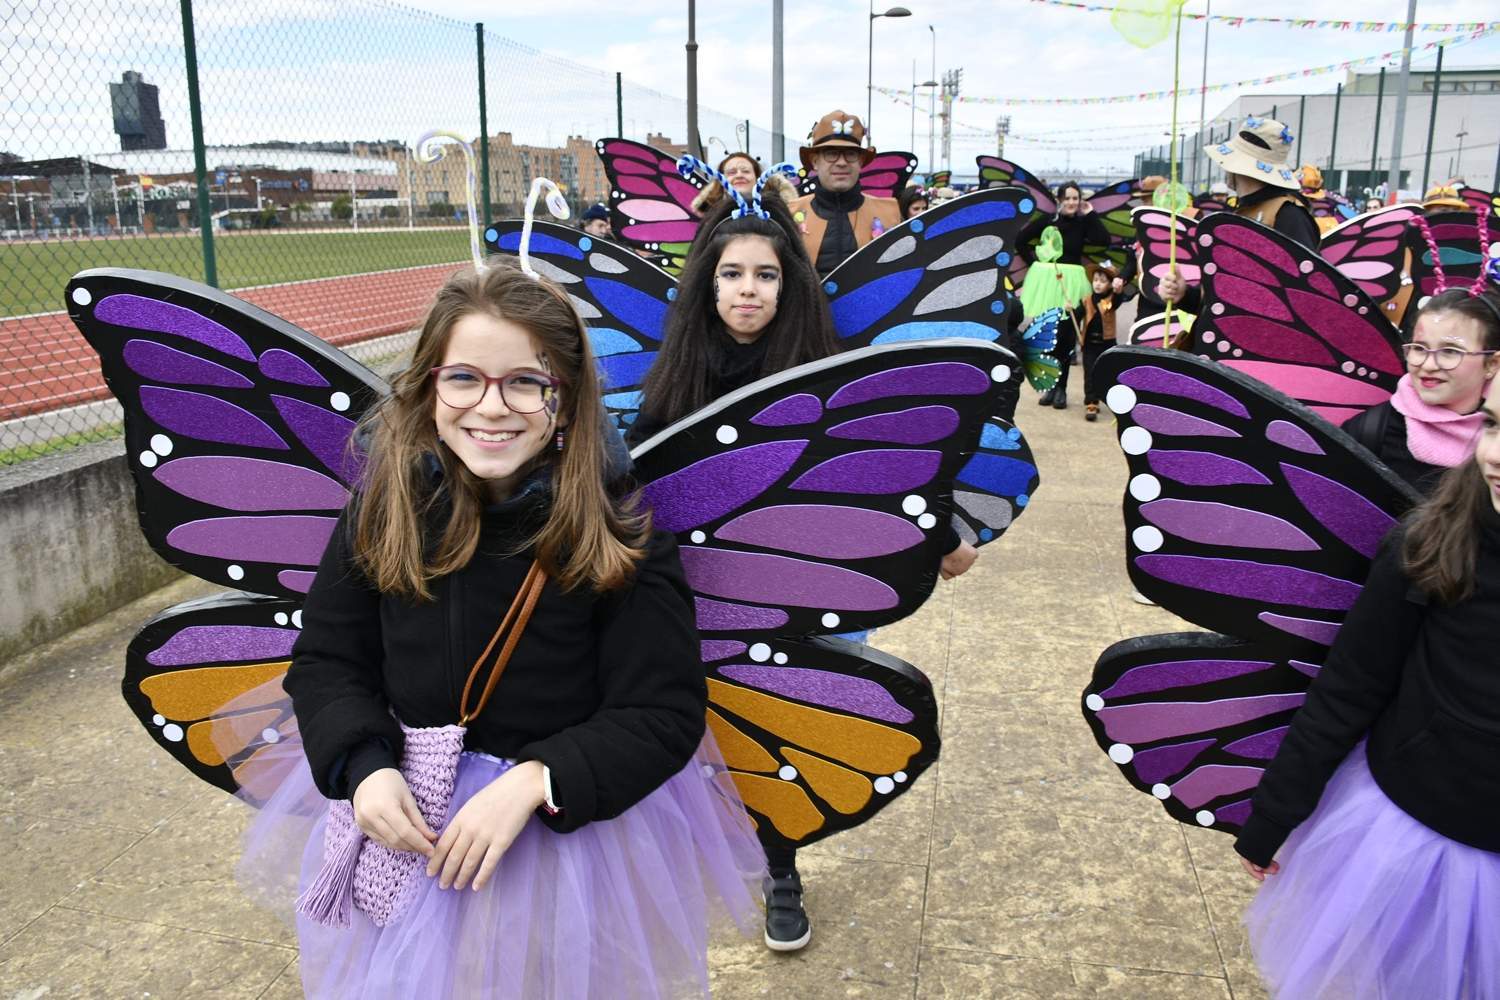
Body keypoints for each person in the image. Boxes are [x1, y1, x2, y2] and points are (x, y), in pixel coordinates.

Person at [249, 261, 763, 998]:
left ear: (566, 401)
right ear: (429, 387)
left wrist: (534, 781)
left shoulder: (620, 533)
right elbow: (329, 659)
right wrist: (362, 766)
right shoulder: (383, 510)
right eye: (464, 379)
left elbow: (662, 712)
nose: (491, 407)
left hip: (555, 842)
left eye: (525, 381)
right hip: (409, 819)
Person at [628, 186, 979, 953]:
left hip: (803, 591)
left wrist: (940, 534)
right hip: (701, 597)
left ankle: (780, 865)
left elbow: (875, 472)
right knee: (698, 723)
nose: (747, 289)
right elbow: (635, 480)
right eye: (730, 274)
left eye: (765, 275)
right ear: (706, 284)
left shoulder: (821, 372)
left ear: (788, 287)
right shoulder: (673, 378)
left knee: (784, 712)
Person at [1233, 351, 1500, 998]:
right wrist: (1274, 817)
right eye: (1493, 424)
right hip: (1418, 841)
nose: (1496, 454)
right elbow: (1350, 684)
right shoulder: (1431, 544)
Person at [1344, 290, 1499, 496]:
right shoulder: (1368, 432)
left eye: (1450, 351)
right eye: (1419, 348)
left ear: (1492, 364)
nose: (1428, 365)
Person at [1158, 117, 1318, 311]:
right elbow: (1221, 302)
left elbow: (1306, 300)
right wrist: (1184, 295)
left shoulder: (1288, 215)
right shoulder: (1243, 211)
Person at [1016, 181, 1107, 409]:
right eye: (1067, 198)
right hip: (1050, 283)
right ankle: (1050, 386)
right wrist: (1038, 266)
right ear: (1059, 200)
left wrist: (1091, 214)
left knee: (1066, 337)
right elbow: (1020, 241)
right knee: (1049, 337)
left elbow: (1103, 241)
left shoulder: (1083, 222)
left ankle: (1062, 389)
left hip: (1073, 286)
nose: (1071, 202)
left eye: (1075, 198)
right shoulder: (1048, 222)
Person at [786, 110, 901, 278]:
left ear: (861, 162)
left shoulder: (890, 213)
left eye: (850, 154)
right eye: (831, 153)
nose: (841, 162)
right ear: (815, 162)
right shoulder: (789, 214)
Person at [1080, 266, 1120, 422]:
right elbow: (1077, 314)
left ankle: (1112, 400)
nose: (1097, 284)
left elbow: (1117, 302)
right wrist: (1071, 309)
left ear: (1109, 284)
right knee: (1089, 373)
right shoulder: (1087, 299)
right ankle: (1091, 402)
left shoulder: (1111, 300)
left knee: (1108, 372)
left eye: (1102, 281)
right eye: (1096, 280)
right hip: (1090, 344)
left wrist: (1117, 291)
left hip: (1107, 343)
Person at [690, 151, 764, 217]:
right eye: (732, 172)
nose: (739, 175)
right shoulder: (706, 218)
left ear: (757, 178)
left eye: (745, 171)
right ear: (721, 181)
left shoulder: (774, 211)